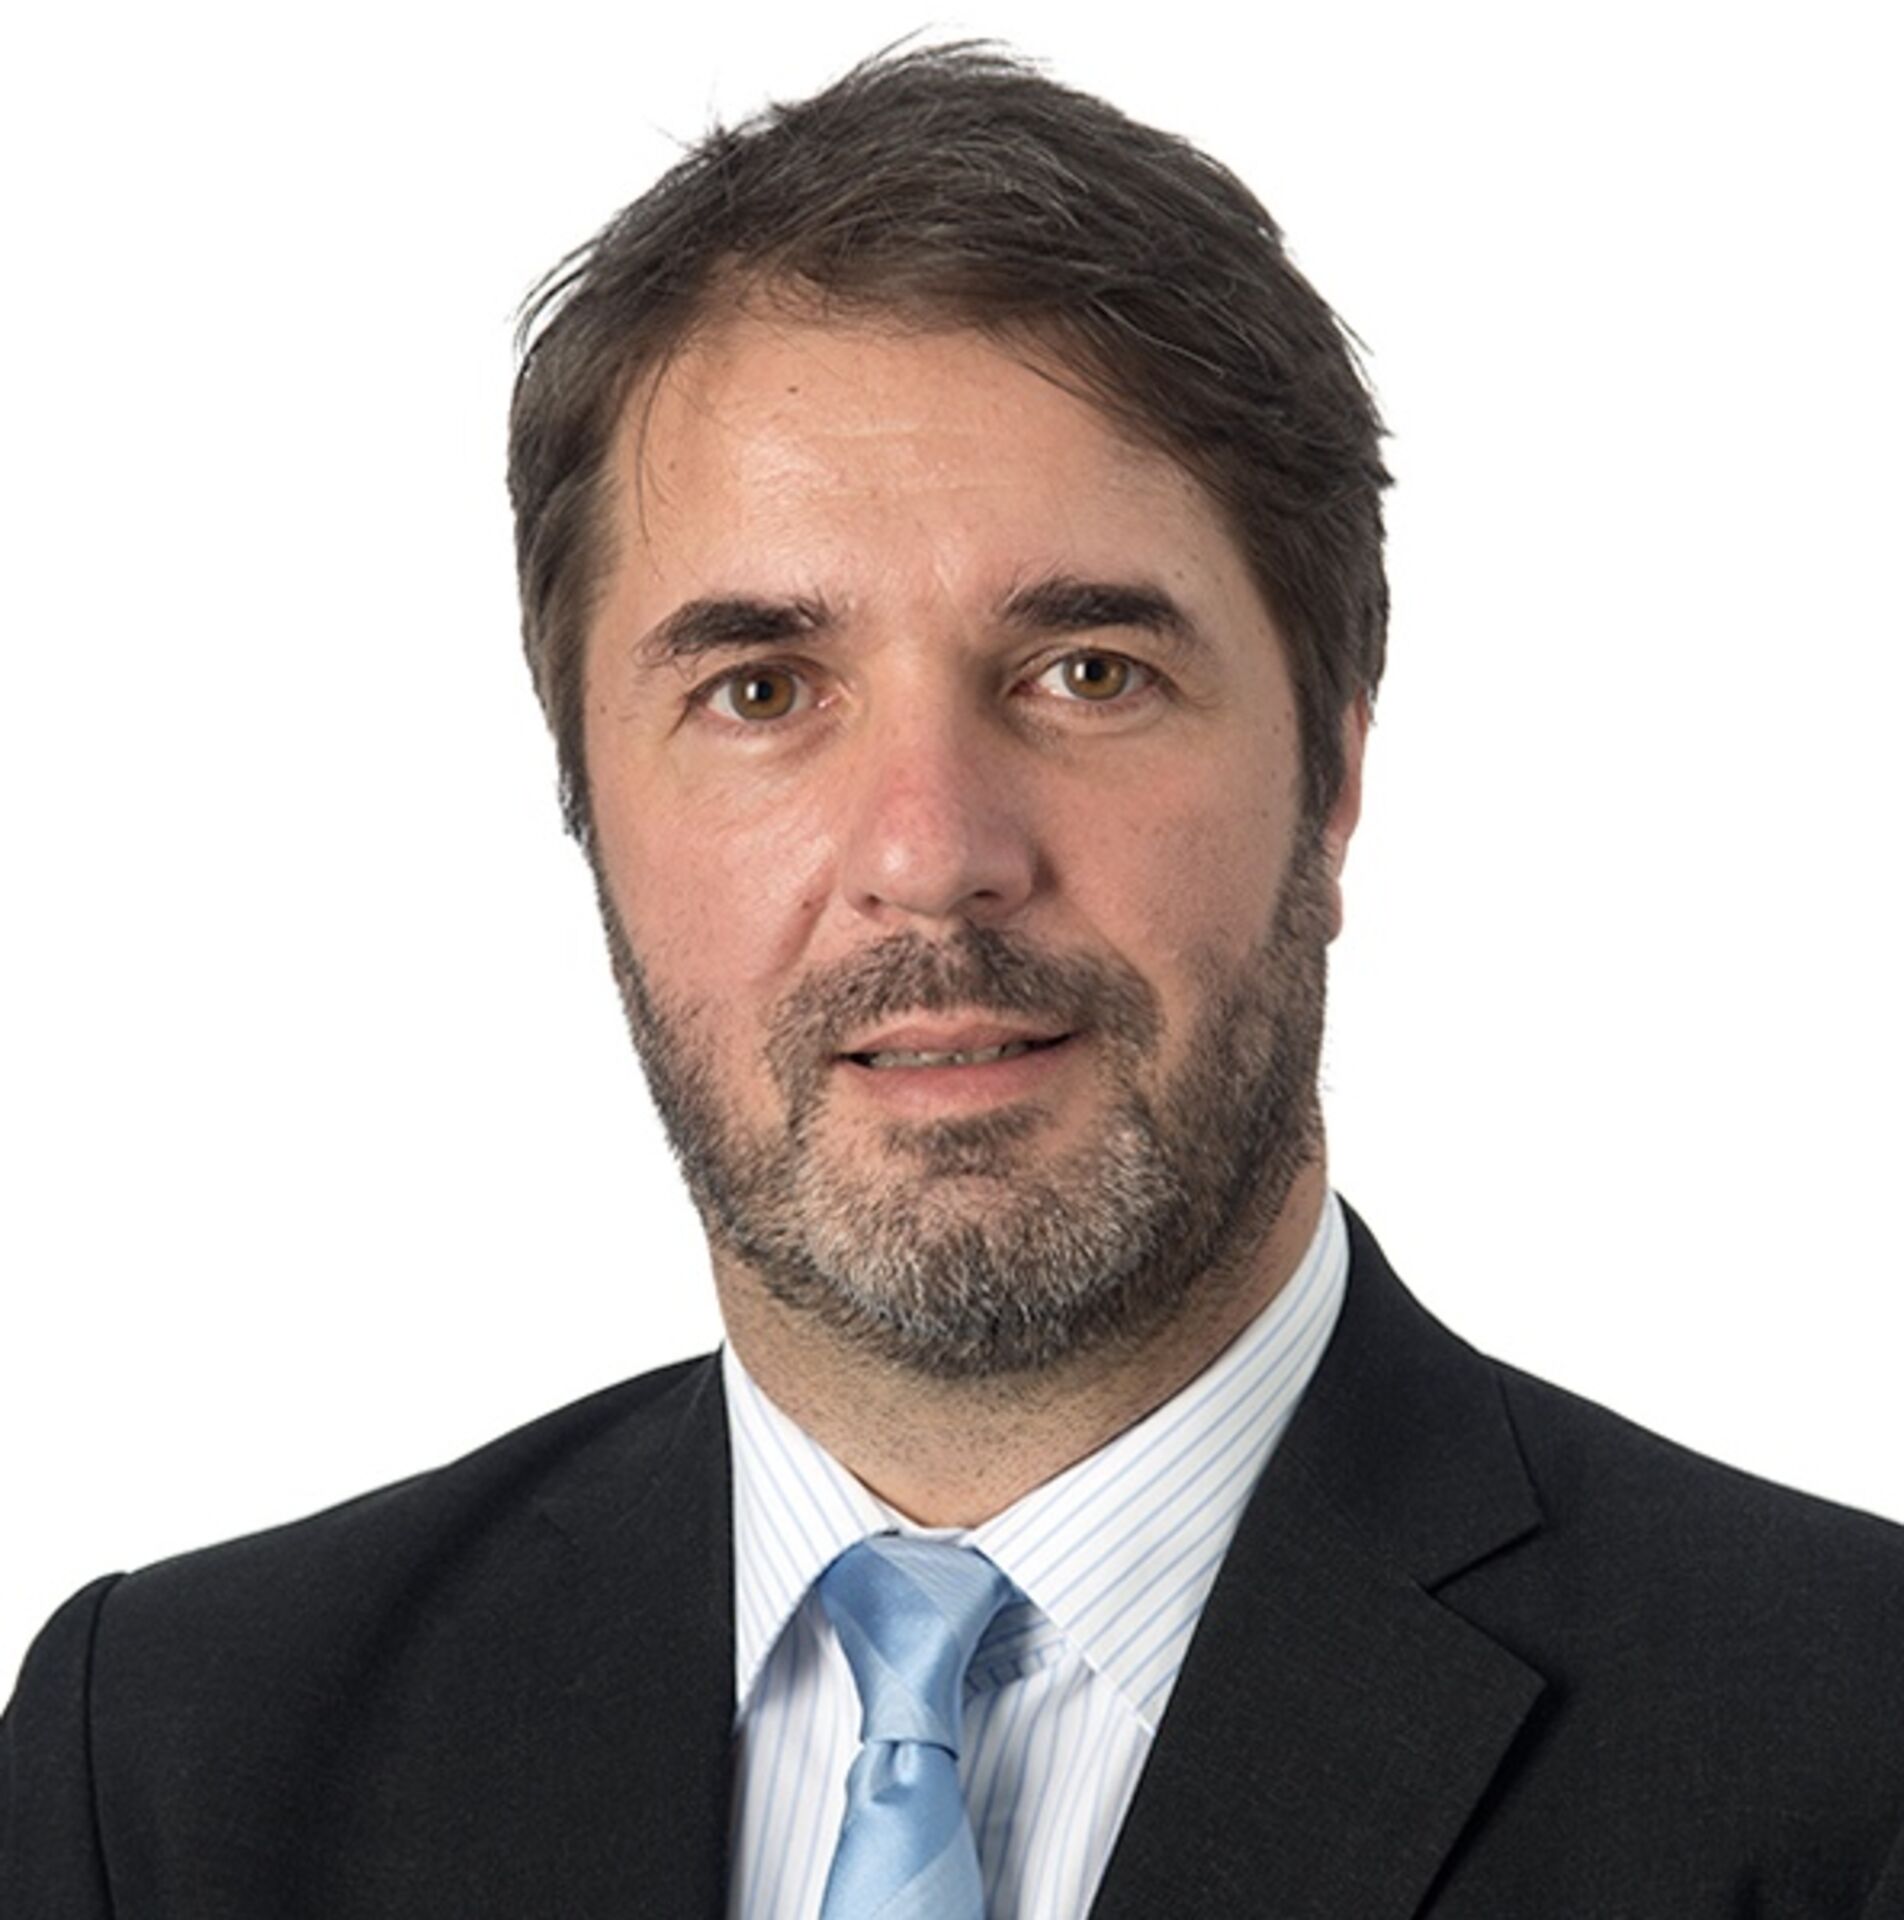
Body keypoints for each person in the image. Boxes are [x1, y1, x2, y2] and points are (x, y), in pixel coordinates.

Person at [4, 42, 1901, 1919]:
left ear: (1330, 779)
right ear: (586, 799)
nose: (929, 852)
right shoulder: (168, 1766)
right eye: (760, 690)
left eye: (1088, 672)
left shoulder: (1851, 1760)